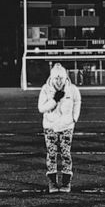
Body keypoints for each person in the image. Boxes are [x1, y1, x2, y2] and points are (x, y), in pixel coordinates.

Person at [38, 63, 81, 193]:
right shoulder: (45, 89)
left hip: (67, 126)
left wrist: (74, 118)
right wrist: (54, 101)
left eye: (61, 78)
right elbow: (41, 108)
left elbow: (77, 101)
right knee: (51, 154)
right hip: (50, 126)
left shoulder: (72, 89)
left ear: (65, 77)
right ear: (52, 77)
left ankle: (66, 183)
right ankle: (52, 182)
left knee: (66, 153)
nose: (59, 81)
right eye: (56, 78)